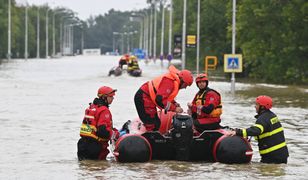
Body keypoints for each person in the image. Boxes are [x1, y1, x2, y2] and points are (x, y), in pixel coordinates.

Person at [227, 95, 289, 164]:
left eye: (257, 104)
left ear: (262, 107)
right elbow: (266, 133)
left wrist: (238, 132)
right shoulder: (272, 116)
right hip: (282, 155)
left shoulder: (263, 119)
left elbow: (256, 130)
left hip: (272, 157)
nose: (255, 106)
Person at [134, 65, 193, 131]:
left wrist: (174, 103)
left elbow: (166, 96)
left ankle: (150, 137)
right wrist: (174, 108)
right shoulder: (170, 81)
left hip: (147, 98)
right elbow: (160, 99)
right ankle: (149, 139)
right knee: (152, 124)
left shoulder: (174, 81)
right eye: (185, 85)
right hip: (144, 97)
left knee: (156, 123)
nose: (185, 88)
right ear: (182, 80)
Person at [77, 86, 119, 160]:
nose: (113, 98)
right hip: (95, 147)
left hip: (82, 145)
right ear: (104, 97)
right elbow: (102, 132)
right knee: (98, 170)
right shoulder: (104, 110)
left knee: (86, 169)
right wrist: (114, 134)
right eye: (111, 96)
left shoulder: (90, 107)